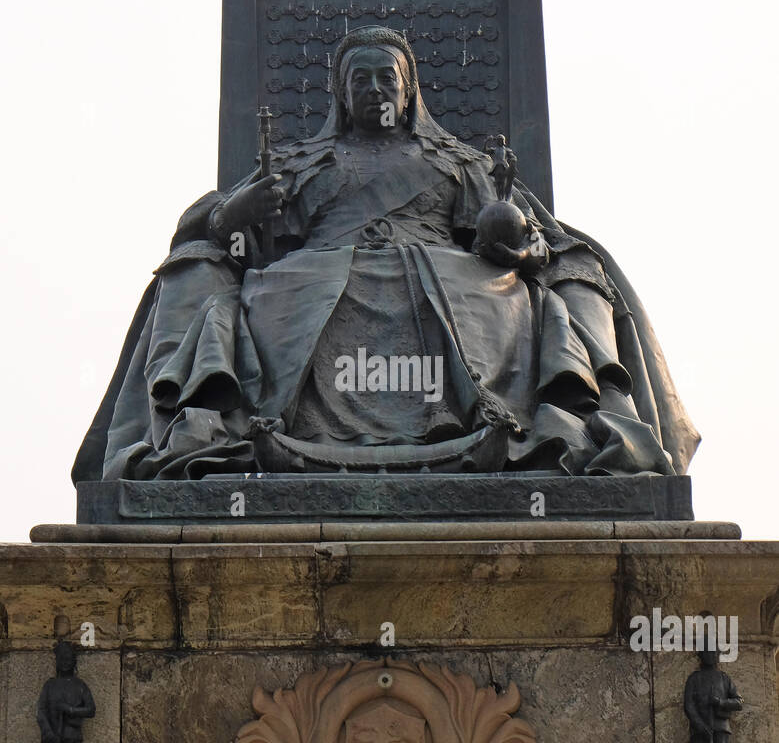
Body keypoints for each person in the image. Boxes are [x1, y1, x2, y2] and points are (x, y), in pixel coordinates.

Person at [73, 26, 699, 480]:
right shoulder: (298, 164)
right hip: (311, 276)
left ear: (408, 93)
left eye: (386, 78)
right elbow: (206, 229)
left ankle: (566, 420)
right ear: (342, 96)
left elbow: (537, 240)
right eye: (361, 80)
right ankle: (193, 430)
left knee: (563, 274)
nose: (375, 90)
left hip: (448, 276)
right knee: (194, 271)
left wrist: (516, 244)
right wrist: (229, 216)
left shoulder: (460, 163)